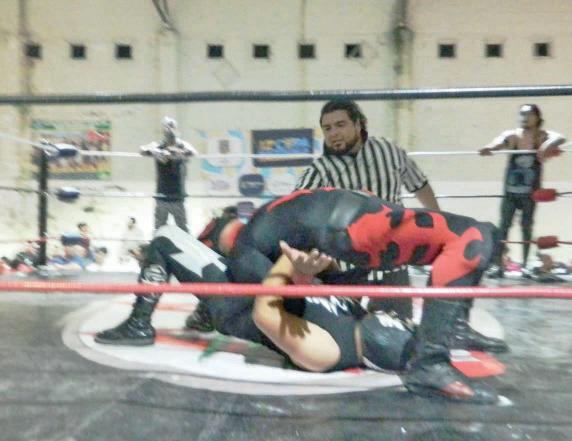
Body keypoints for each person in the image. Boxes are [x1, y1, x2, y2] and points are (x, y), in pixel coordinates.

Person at [96, 188, 503, 403]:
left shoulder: (330, 353)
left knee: (166, 238)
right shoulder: (356, 318)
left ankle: (139, 324)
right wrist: (316, 270)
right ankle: (203, 301)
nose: (399, 323)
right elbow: (319, 289)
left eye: (403, 335)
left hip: (239, 304)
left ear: (382, 353)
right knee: (231, 237)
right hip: (268, 273)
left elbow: (266, 314)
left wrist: (291, 266)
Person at [294, 99, 439, 321]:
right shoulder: (320, 170)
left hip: (391, 263)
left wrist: (438, 223)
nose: (334, 133)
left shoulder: (388, 151)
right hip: (346, 268)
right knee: (344, 332)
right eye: (327, 128)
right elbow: (294, 207)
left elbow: (419, 184)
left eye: (340, 125)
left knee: (399, 331)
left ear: (359, 124)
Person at [480, 104, 566, 273]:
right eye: (522, 114)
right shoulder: (513, 135)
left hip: (530, 194)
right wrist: (490, 148)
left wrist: (547, 146)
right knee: (504, 226)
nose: (524, 118)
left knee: (527, 227)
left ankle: (525, 264)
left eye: (528, 114)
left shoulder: (542, 136)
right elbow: (500, 141)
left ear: (537, 117)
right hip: (510, 192)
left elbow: (560, 138)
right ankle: (498, 264)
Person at [140, 116, 197, 232]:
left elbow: (193, 152)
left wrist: (176, 152)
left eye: (171, 127)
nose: (169, 130)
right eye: (167, 127)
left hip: (177, 196)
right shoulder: (158, 145)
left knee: (183, 229)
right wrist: (157, 152)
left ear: (176, 129)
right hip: (162, 195)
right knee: (159, 230)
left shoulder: (182, 145)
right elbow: (142, 150)